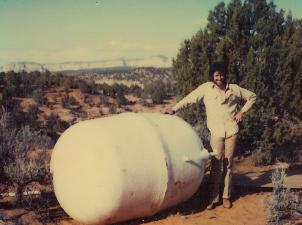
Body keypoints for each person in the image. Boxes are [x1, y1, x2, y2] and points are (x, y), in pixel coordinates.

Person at [169, 62, 256, 209]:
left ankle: (226, 196)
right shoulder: (205, 89)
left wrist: (243, 112)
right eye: (216, 75)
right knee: (215, 165)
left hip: (231, 131)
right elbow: (189, 99)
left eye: (221, 74)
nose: (219, 78)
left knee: (228, 165)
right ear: (212, 76)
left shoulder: (233, 89)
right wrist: (174, 109)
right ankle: (213, 198)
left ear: (225, 75)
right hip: (216, 132)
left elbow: (252, 97)